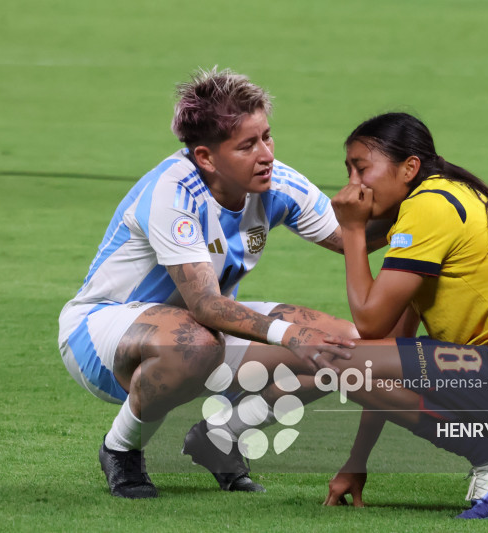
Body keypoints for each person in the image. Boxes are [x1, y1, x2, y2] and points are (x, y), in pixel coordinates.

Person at [57, 67, 387, 499]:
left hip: (202, 334)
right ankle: (121, 449)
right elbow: (206, 305)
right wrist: (291, 335)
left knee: (347, 349)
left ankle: (220, 437)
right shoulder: (174, 193)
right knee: (195, 342)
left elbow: (351, 238)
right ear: (206, 157)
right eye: (247, 145)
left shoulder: (276, 183)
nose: (266, 154)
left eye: (267, 137)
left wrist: (421, 202)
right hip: (102, 336)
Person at [314, 112, 488, 519]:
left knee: (333, 358)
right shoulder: (441, 199)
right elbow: (383, 349)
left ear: (409, 167)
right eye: (348, 170)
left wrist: (354, 231)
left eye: (362, 169)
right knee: (348, 361)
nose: (352, 184)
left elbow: (369, 323)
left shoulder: (430, 207)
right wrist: (357, 462)